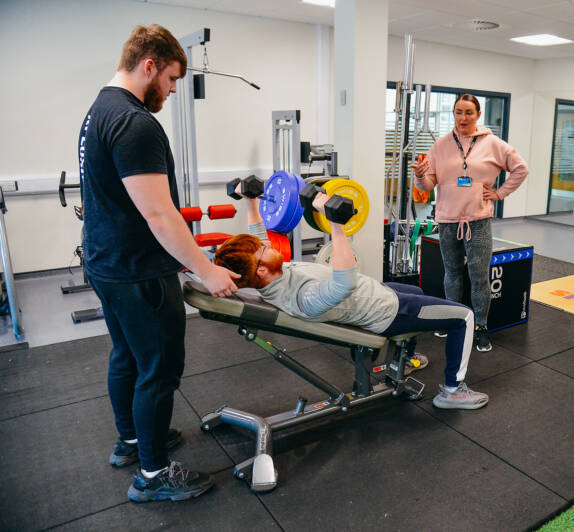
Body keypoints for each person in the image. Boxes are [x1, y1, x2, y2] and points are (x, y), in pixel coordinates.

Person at [79, 24, 240, 502]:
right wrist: (205, 269)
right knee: (159, 369)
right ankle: (152, 476)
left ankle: (132, 442)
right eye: (170, 80)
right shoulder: (134, 122)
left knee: (127, 356)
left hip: (106, 262)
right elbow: (158, 213)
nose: (170, 92)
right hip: (138, 270)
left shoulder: (98, 111)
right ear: (149, 65)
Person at [213, 191, 489, 410]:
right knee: (464, 316)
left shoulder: (269, 278)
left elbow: (257, 238)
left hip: (375, 293)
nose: (269, 244)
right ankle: (453, 391)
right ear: (260, 269)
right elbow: (344, 281)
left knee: (416, 293)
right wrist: (335, 223)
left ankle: (403, 360)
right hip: (386, 312)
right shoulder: (299, 297)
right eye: (264, 249)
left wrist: (250, 200)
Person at [412, 94, 528, 352]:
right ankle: (454, 321)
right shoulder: (441, 146)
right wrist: (420, 177)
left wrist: (500, 193)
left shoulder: (493, 144)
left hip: (478, 220)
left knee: (478, 277)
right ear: (453, 114)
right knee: (452, 273)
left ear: (478, 114)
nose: (462, 118)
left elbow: (520, 169)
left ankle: (481, 327)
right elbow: (428, 184)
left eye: (468, 112)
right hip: (448, 220)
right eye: (458, 112)